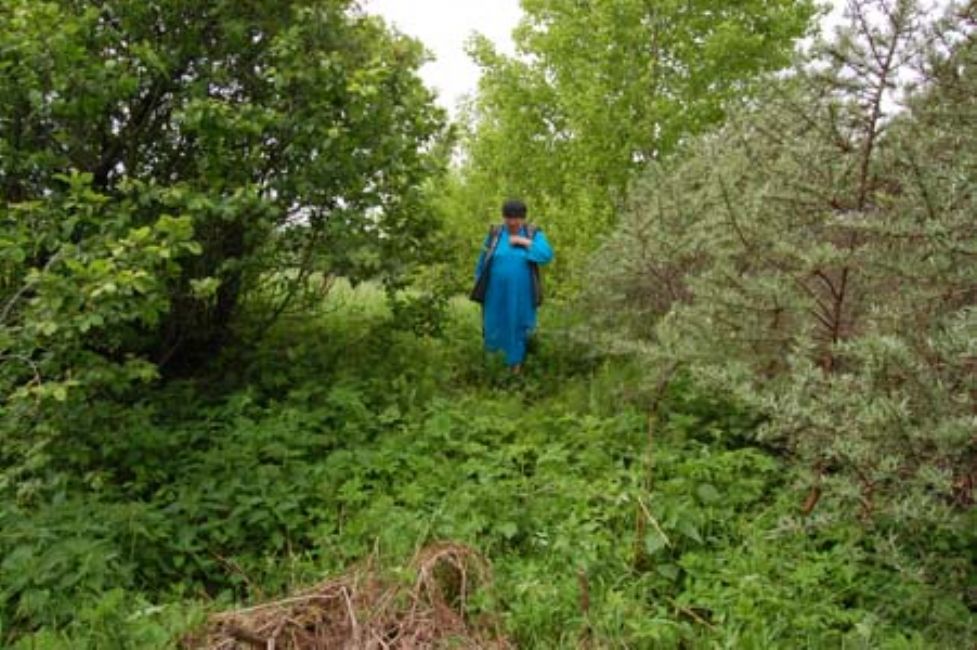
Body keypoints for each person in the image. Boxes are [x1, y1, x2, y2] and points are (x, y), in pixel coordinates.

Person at [474, 199, 554, 372]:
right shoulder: (495, 234)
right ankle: (494, 368)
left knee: (518, 325)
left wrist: (523, 242)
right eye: (508, 218)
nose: (512, 222)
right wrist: (478, 281)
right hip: (495, 293)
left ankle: (516, 369)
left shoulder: (532, 234)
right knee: (494, 325)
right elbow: (483, 261)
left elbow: (546, 255)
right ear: (503, 217)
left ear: (523, 218)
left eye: (516, 218)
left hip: (522, 294)